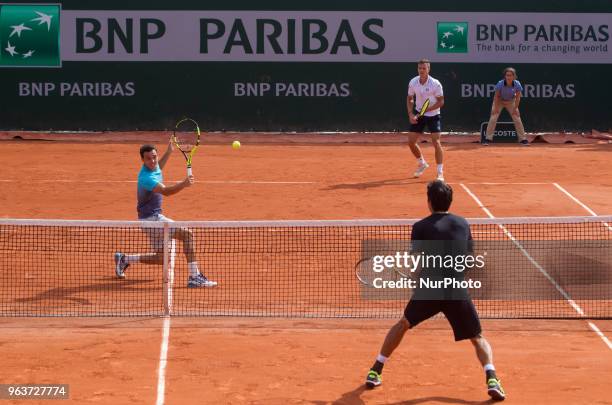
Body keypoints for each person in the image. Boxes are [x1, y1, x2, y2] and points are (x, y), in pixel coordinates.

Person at [364, 181, 505, 401]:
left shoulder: (420, 226)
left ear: (429, 202)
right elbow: (467, 259)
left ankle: (375, 370)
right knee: (477, 337)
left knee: (403, 324)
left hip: (429, 289)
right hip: (456, 289)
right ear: (450, 202)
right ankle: (492, 378)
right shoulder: (463, 224)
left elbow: (418, 262)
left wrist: (417, 279)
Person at [114, 142, 217, 288]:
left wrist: (169, 152)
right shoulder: (146, 178)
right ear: (142, 160)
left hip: (149, 220)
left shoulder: (152, 168)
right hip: (152, 220)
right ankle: (195, 277)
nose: (153, 161)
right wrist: (184, 184)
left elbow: (158, 167)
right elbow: (167, 192)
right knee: (187, 234)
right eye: (148, 159)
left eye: (154, 157)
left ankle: (124, 259)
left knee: (162, 258)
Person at [407, 59, 445, 181]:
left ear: (428, 69)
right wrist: (411, 114)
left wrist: (428, 109)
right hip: (419, 113)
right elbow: (410, 98)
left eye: (424, 68)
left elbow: (441, 102)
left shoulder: (435, 83)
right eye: (419, 68)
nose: (421, 70)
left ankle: (440, 173)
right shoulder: (413, 82)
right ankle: (422, 163)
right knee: (411, 142)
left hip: (434, 115)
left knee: (436, 142)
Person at [483, 67, 528, 146]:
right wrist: (495, 108)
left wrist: (515, 108)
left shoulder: (517, 84)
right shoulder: (500, 83)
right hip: (499, 100)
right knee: (493, 117)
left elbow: (518, 97)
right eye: (507, 75)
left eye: (510, 75)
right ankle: (487, 139)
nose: (508, 77)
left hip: (511, 101)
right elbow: (496, 96)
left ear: (514, 77)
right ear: (505, 76)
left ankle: (523, 139)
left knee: (517, 117)